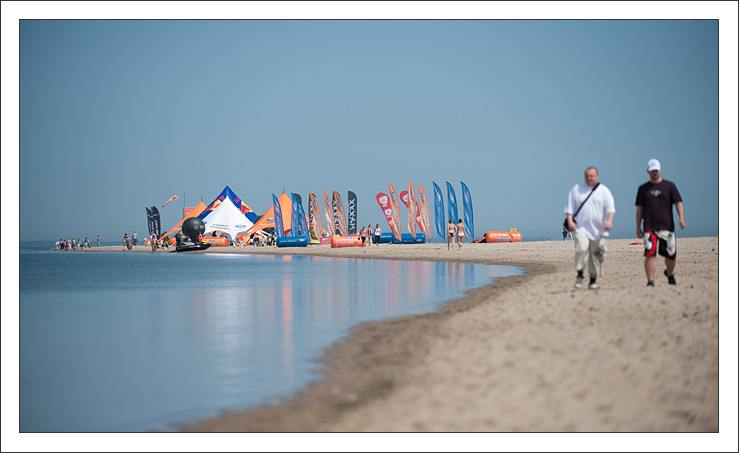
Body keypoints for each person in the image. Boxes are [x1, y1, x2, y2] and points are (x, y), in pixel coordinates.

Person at [636, 158, 685, 287]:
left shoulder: (670, 186)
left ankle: (669, 274)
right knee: (650, 254)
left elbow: (678, 203)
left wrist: (681, 218)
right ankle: (650, 281)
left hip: (667, 227)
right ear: (648, 171)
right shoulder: (643, 189)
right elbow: (639, 209)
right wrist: (638, 226)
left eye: (656, 170)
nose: (654, 172)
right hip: (649, 227)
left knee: (670, 256)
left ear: (660, 170)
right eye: (652, 171)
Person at [565, 166, 616, 290]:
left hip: (598, 230)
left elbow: (611, 209)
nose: (589, 178)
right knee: (581, 248)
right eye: (587, 175)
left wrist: (609, 221)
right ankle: (580, 274)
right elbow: (569, 209)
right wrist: (570, 221)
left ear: (597, 176)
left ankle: (593, 281)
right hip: (581, 229)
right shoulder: (577, 189)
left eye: (592, 176)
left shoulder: (604, 191)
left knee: (595, 254)